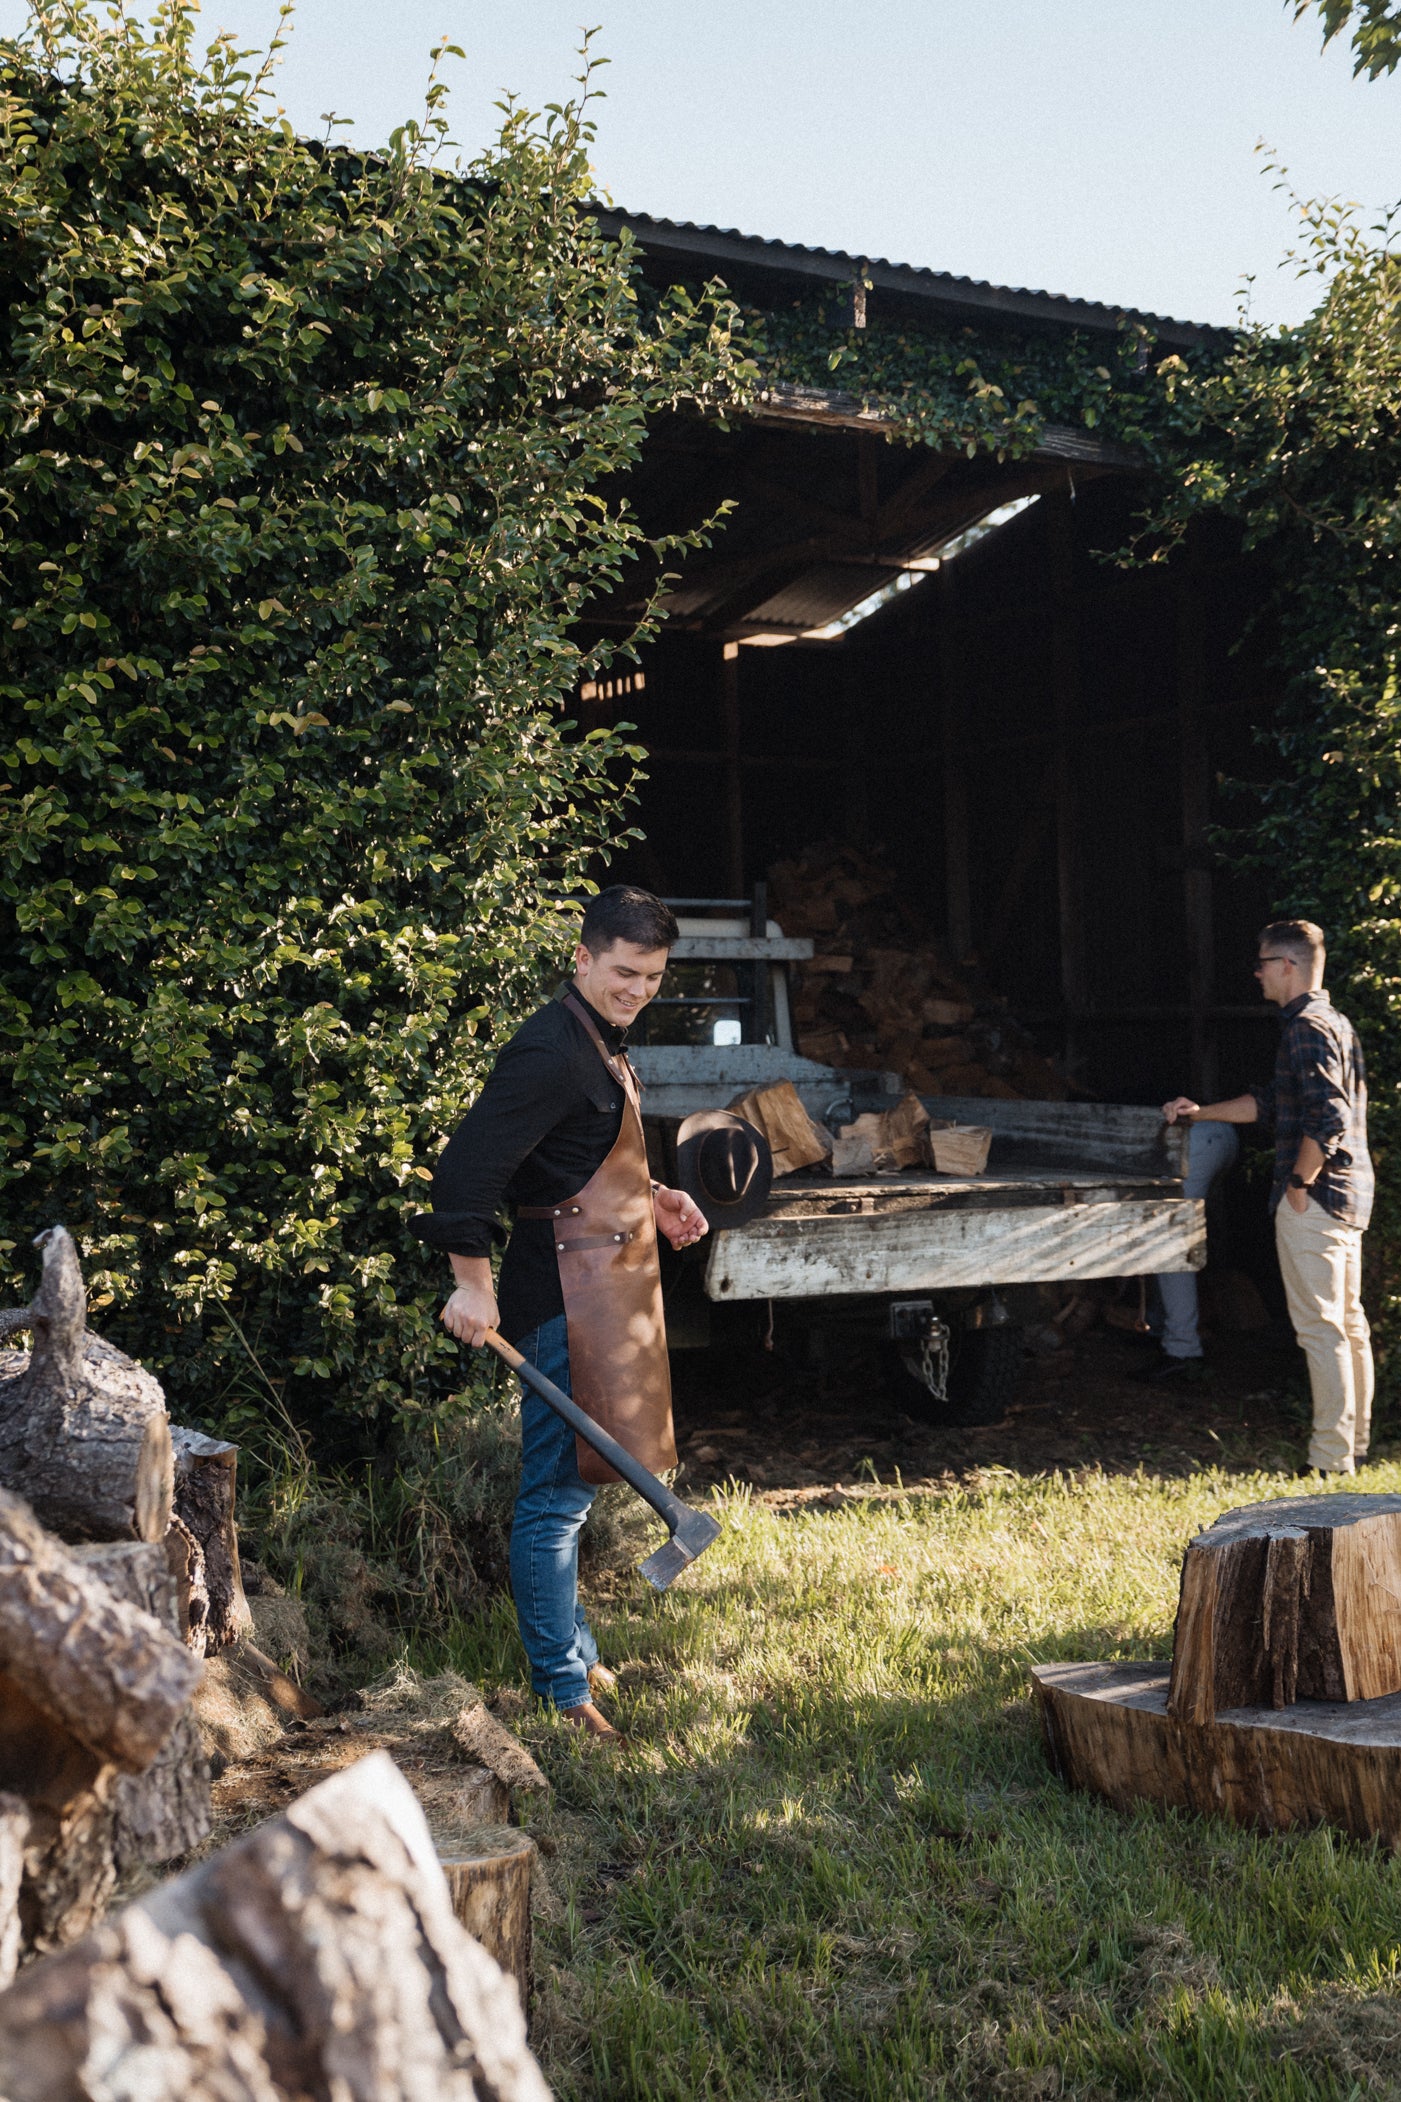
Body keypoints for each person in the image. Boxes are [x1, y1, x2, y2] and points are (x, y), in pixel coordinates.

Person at [411, 886, 708, 1737]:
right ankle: (559, 1689)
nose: (637, 990)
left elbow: (569, 1160)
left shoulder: (600, 1040)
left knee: (579, 1484)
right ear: (581, 958)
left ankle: (573, 1652)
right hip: (559, 1299)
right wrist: (474, 1284)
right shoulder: (548, 1050)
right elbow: (464, 1175)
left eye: (652, 977)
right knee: (553, 1496)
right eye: (623, 972)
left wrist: (650, 1196)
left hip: (607, 1284)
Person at [1163, 920, 1373, 1475]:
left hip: (1318, 1196)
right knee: (1347, 1323)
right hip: (1349, 1195)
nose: (1255, 973)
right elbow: (1274, 1105)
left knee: (1321, 1327)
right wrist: (1199, 1112)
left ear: (1288, 966)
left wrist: (1300, 1185)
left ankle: (1330, 1460)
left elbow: (1328, 1117)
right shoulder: (1335, 1023)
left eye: (1262, 962)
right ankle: (1351, 1449)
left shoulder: (1306, 1026)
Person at [1139, 1120, 1239, 1382]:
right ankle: (1161, 1326)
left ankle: (1182, 1350)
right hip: (1224, 1134)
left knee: (1172, 1244)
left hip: (1191, 1140)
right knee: (1177, 1239)